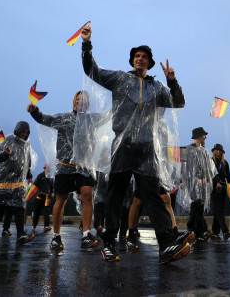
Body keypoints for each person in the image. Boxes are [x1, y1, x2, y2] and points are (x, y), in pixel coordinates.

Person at [80, 26, 191, 264]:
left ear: (150, 63)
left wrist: (172, 81)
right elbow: (93, 71)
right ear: (132, 60)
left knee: (153, 194)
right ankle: (109, 242)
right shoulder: (120, 78)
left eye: (145, 57)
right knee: (115, 195)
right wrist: (87, 44)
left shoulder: (157, 87)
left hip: (147, 149)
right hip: (123, 145)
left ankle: (166, 244)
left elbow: (179, 103)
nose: (140, 59)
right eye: (137, 56)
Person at [28, 92, 99, 250]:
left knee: (87, 194)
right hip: (65, 165)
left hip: (84, 165)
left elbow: (109, 117)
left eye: (85, 101)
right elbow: (45, 119)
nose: (81, 103)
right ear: (74, 102)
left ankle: (86, 233)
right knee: (61, 197)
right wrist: (35, 111)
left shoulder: (91, 120)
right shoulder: (64, 118)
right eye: (79, 100)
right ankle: (56, 236)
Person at [0, 121, 36, 246]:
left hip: (18, 182)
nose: (24, 134)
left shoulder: (26, 145)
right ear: (18, 130)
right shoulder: (7, 140)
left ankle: (21, 234)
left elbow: (27, 162)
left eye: (26, 133)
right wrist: (5, 154)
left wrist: (29, 176)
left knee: (19, 208)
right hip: (4, 182)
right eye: (22, 131)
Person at [183, 127, 216, 243]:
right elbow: (183, 167)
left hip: (202, 184)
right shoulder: (186, 149)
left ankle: (194, 230)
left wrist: (205, 179)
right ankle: (197, 232)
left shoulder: (204, 151)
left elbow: (208, 168)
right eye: (203, 135)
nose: (205, 137)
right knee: (196, 206)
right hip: (192, 183)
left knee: (199, 207)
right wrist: (189, 179)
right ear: (198, 136)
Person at [210, 143, 230, 241]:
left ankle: (214, 233)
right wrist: (216, 183)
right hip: (215, 188)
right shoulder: (211, 162)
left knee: (219, 210)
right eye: (217, 150)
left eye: (220, 150)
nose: (218, 152)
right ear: (214, 151)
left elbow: (228, 176)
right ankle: (225, 231)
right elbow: (211, 175)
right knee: (218, 210)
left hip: (224, 187)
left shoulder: (225, 163)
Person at [30, 165, 53, 233]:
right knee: (37, 212)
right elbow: (35, 185)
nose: (48, 170)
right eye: (46, 168)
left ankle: (46, 226)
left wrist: (52, 192)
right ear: (44, 168)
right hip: (39, 196)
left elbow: (52, 187)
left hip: (47, 197)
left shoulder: (50, 177)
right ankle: (34, 226)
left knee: (46, 212)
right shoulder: (40, 176)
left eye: (49, 169)